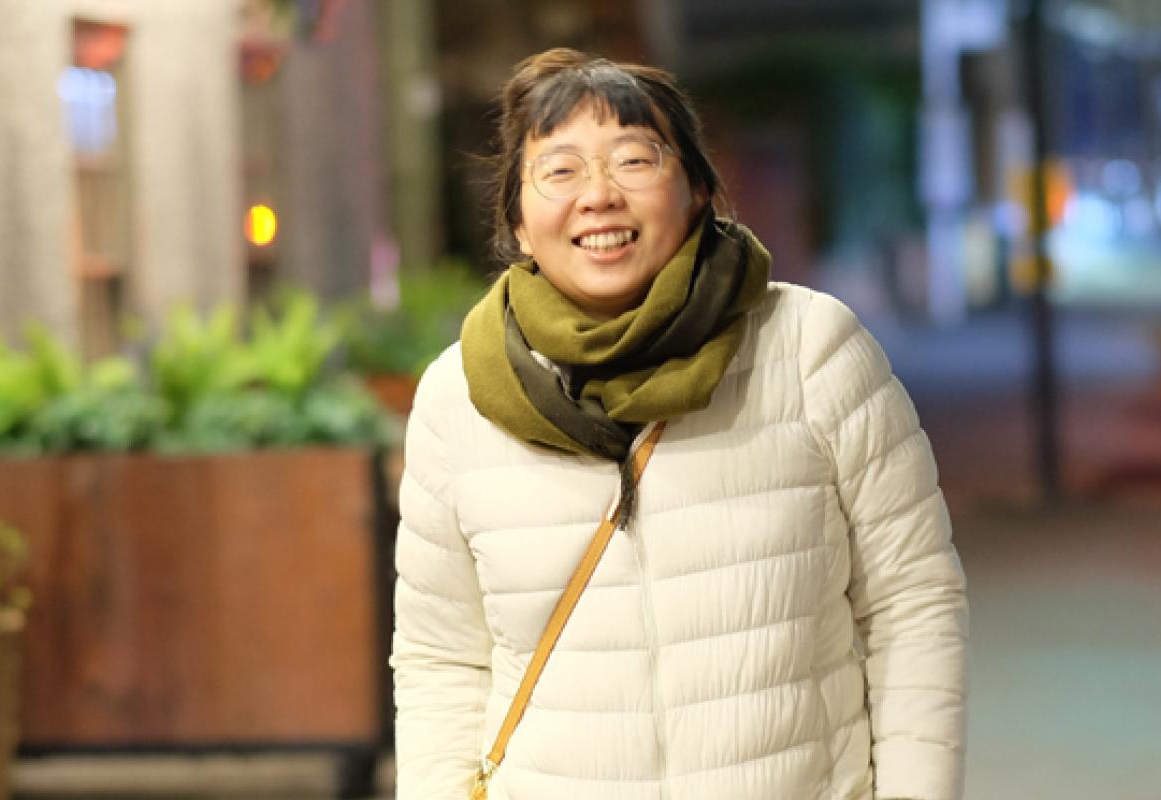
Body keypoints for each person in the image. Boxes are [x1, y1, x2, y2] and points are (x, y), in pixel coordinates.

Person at [390, 48, 968, 800]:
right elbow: (443, 659)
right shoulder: (458, 398)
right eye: (559, 171)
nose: (598, 196)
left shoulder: (809, 351)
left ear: (698, 192)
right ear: (519, 223)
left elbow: (913, 604)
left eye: (634, 160)